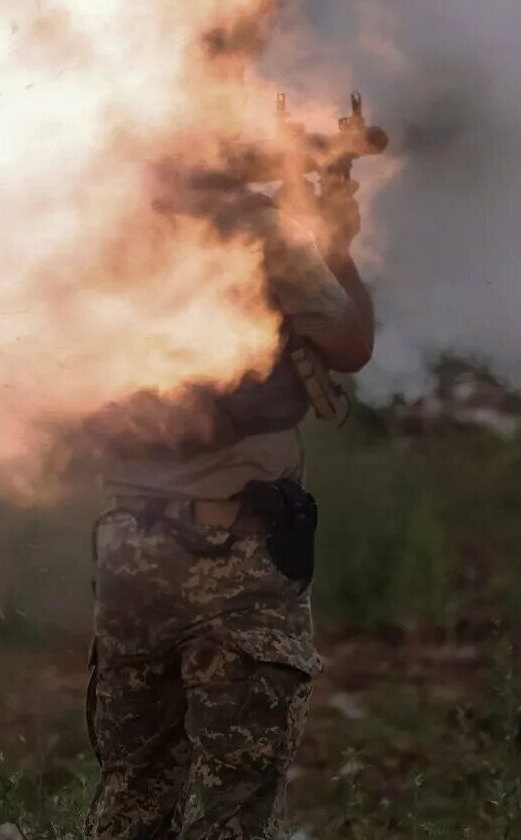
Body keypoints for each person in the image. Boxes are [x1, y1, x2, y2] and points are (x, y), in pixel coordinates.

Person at [84, 173, 374, 840]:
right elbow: (349, 344)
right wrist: (338, 244)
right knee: (233, 800)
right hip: (232, 551)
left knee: (134, 784)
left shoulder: (103, 225)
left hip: (129, 546)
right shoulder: (261, 229)